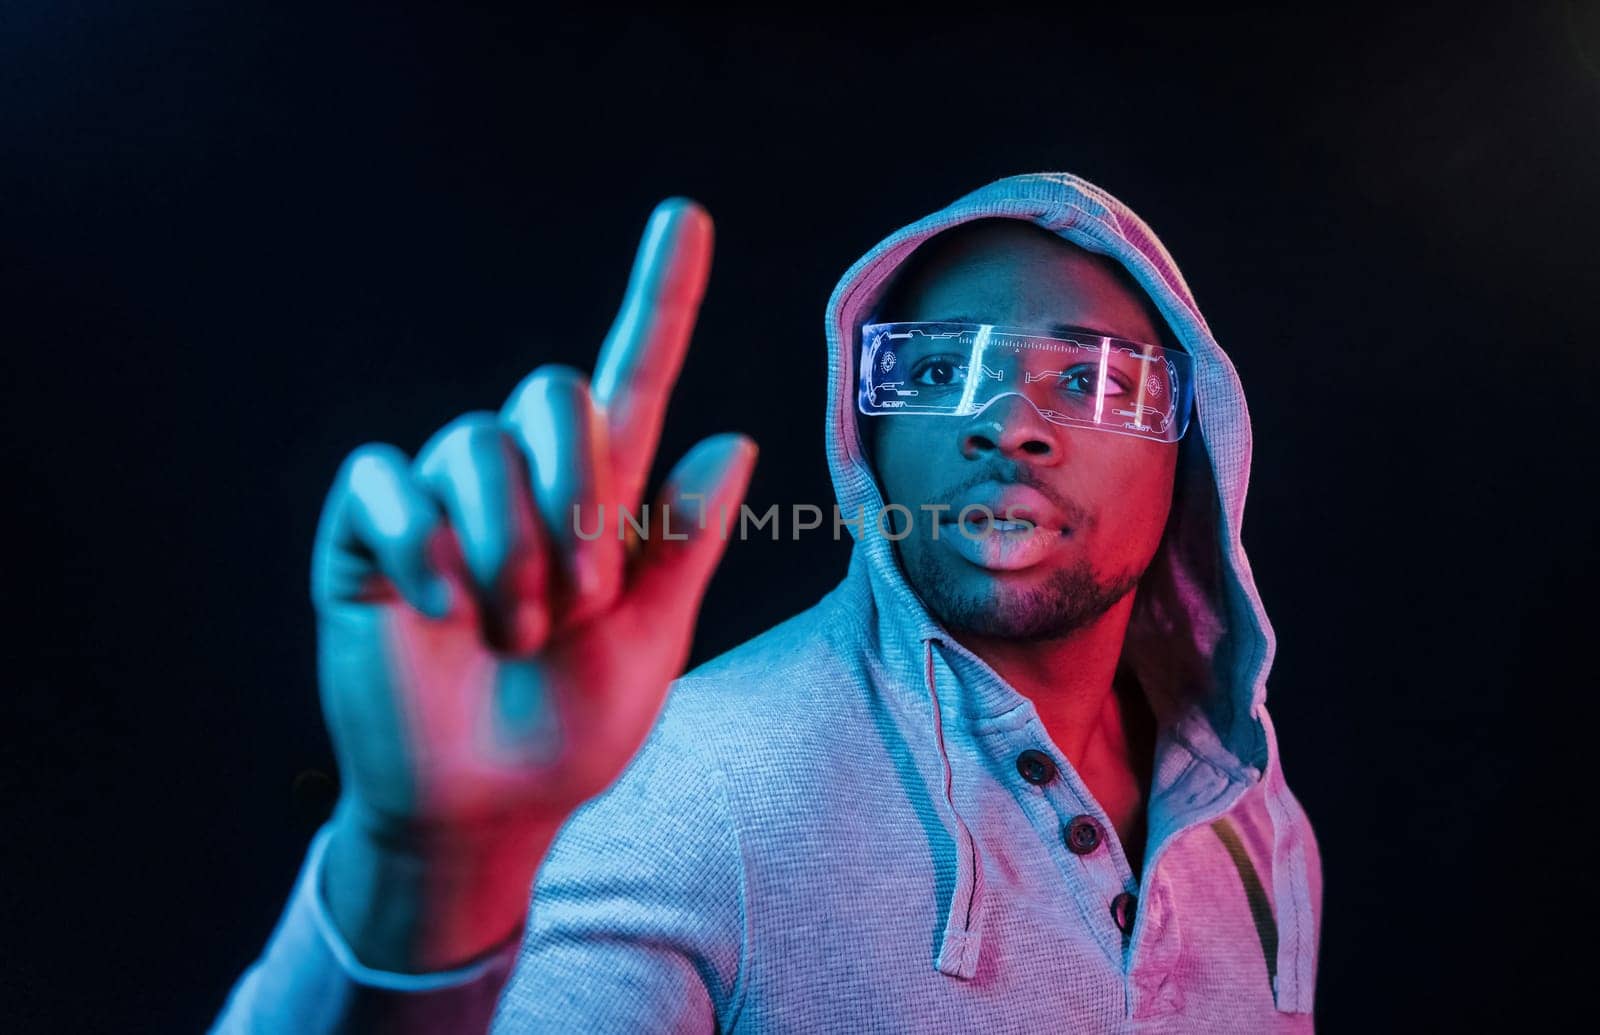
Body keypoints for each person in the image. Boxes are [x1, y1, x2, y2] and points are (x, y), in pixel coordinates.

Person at [211, 172, 1322, 1032]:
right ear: (862, 432)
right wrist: (426, 871)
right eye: (934, 373)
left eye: (1092, 381)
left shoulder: (1250, 825)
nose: (1007, 424)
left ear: (1195, 450)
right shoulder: (690, 783)